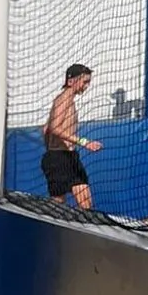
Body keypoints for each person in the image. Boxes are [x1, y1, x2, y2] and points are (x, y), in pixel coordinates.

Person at [40, 63, 101, 210]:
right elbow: (55, 127)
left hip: (60, 157)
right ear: (71, 81)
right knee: (85, 206)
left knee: (57, 208)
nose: (86, 86)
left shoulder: (63, 99)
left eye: (88, 82)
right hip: (61, 158)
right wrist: (84, 142)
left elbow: (45, 129)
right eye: (84, 82)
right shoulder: (65, 98)